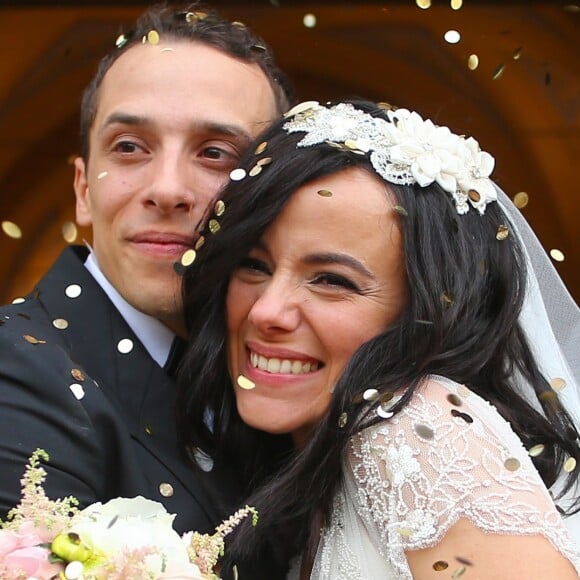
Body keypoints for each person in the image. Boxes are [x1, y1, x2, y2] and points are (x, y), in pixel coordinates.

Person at [177, 99, 580, 578]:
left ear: (426, 314)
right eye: (254, 265)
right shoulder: (313, 465)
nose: (266, 311)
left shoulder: (417, 425)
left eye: (331, 280)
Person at [0, 0, 292, 568]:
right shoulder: (13, 371)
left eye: (214, 153)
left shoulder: (284, 372)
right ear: (84, 189)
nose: (167, 189)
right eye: (130, 147)